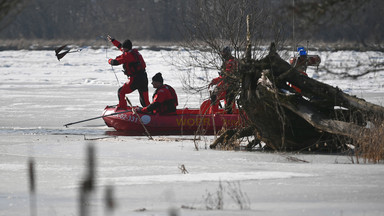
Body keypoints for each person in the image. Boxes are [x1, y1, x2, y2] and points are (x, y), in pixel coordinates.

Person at [107, 35, 150, 109]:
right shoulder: (134, 52)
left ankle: (122, 107)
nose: (122, 49)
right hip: (143, 78)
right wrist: (113, 41)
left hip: (135, 79)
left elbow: (115, 62)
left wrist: (109, 60)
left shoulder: (127, 56)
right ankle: (151, 112)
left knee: (121, 91)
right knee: (145, 101)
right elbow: (120, 46)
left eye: (123, 48)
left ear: (126, 48)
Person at [208, 46, 238, 114]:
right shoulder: (230, 61)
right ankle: (230, 113)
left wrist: (215, 81)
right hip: (229, 84)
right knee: (228, 100)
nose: (222, 55)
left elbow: (226, 76)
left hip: (229, 85)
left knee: (214, 96)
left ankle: (214, 114)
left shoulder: (231, 62)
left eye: (223, 53)